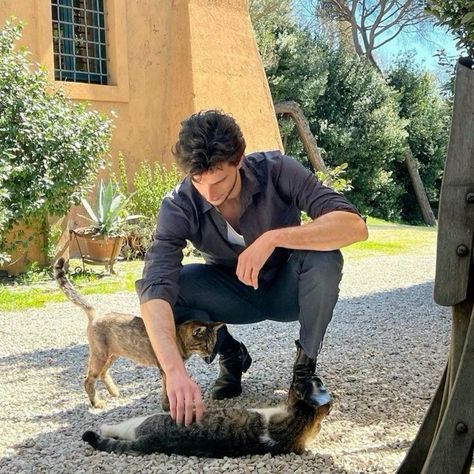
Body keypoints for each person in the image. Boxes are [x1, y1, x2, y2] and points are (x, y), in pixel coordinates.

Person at [136, 110, 368, 427]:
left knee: (325, 257)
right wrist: (175, 369)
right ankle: (230, 353)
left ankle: (304, 372)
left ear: (240, 160)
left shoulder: (279, 170)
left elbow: (353, 226)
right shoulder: (178, 204)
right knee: (164, 292)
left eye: (219, 181)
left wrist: (274, 238)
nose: (210, 194)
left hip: (289, 290)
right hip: (232, 296)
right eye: (199, 182)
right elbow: (155, 286)